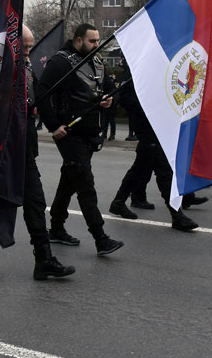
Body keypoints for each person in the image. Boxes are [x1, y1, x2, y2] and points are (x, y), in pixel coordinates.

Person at [0, 26, 76, 282]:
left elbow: (37, 98)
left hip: (24, 147)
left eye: (30, 47)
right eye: (24, 47)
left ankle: (44, 260)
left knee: (36, 203)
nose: (28, 52)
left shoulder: (27, 67)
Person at [37, 23, 123, 255]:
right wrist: (54, 126)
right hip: (69, 133)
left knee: (70, 179)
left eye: (97, 41)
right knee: (86, 185)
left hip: (90, 133)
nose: (97, 45)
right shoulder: (61, 62)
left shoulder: (96, 61)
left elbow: (108, 88)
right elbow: (42, 93)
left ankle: (55, 227)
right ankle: (100, 238)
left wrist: (108, 99)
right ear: (78, 40)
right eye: (92, 41)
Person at [108, 66, 198, 232]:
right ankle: (177, 215)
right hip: (146, 124)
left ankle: (119, 202)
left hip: (159, 124)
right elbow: (125, 96)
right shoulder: (137, 64)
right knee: (162, 170)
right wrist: (146, 108)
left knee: (142, 168)